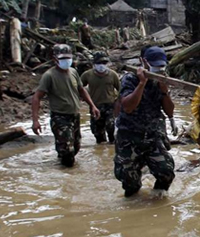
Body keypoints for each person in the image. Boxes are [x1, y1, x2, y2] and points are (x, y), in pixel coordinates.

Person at [114, 46, 178, 197]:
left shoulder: (161, 80)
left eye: (161, 65)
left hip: (152, 135)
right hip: (129, 136)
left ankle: (157, 197)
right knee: (129, 182)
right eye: (155, 65)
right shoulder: (130, 79)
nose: (159, 68)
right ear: (143, 62)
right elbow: (128, 107)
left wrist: (164, 90)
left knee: (166, 172)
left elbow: (169, 110)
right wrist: (142, 84)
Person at [31, 44, 101, 167]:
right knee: (67, 151)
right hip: (60, 117)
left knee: (76, 146)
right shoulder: (49, 76)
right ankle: (66, 176)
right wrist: (35, 120)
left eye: (68, 58)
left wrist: (92, 106)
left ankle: (64, 164)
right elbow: (37, 97)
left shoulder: (73, 72)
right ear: (55, 59)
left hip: (75, 115)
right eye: (63, 59)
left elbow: (81, 90)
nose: (66, 61)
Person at [81, 51, 120, 143]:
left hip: (110, 105)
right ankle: (101, 146)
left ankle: (111, 145)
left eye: (104, 63)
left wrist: (118, 103)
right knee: (97, 132)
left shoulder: (113, 75)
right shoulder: (87, 75)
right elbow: (79, 88)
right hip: (95, 106)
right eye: (99, 63)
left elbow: (120, 90)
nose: (102, 65)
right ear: (94, 64)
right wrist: (82, 97)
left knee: (111, 127)